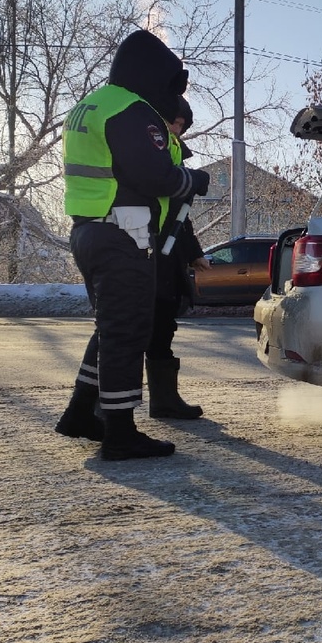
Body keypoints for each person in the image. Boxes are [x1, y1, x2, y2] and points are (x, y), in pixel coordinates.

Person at [54, 29, 209, 460]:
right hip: (124, 235)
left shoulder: (91, 104)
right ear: (151, 74)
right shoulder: (131, 108)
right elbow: (155, 175)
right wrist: (193, 180)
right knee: (128, 334)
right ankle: (119, 433)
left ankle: (80, 412)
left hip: (90, 228)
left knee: (111, 328)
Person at [146, 94, 210, 419]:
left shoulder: (175, 158)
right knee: (136, 325)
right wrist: (191, 181)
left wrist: (194, 253)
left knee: (163, 324)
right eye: (176, 122)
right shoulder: (153, 151)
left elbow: (180, 217)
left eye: (182, 126)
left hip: (167, 256)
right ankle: (109, 408)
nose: (178, 130)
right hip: (145, 250)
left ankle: (164, 399)